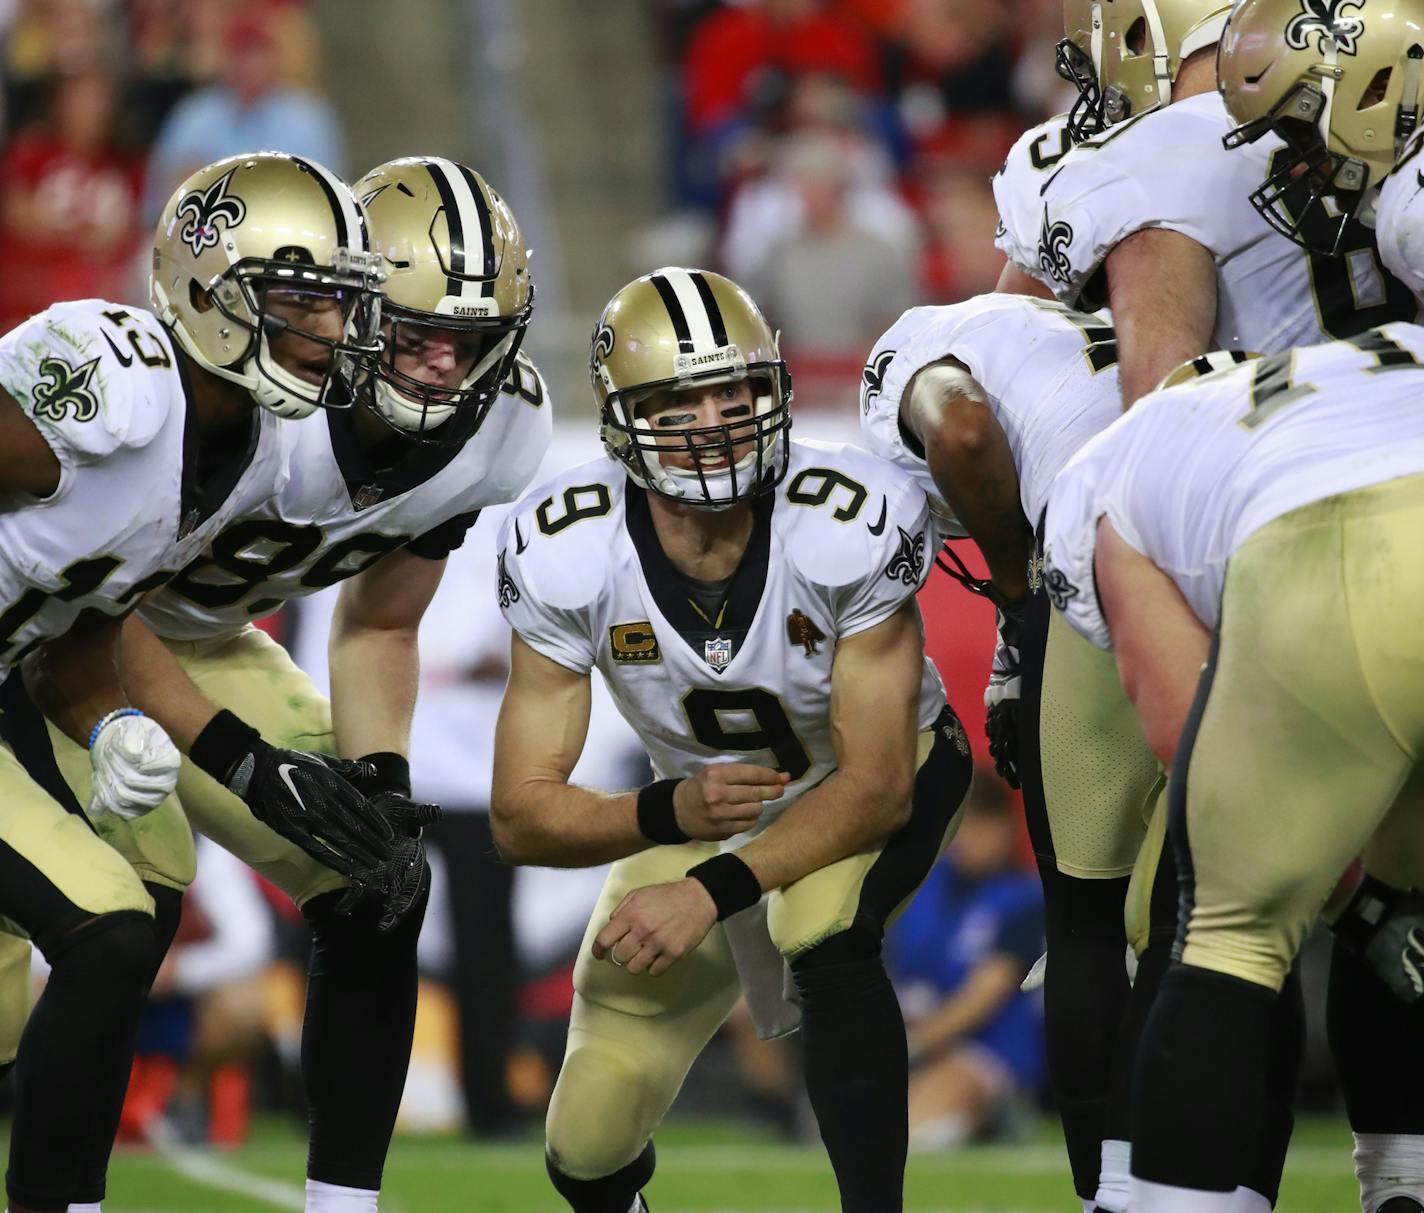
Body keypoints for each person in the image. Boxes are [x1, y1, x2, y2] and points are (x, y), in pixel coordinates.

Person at [39, 154, 551, 1213]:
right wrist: (239, 757)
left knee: (379, 872)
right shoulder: (265, 384)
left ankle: (341, 1204)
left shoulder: (494, 432)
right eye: (414, 334)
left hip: (209, 639)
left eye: (470, 341)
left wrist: (378, 774)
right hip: (88, 641)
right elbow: (97, 595)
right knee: (126, 908)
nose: (443, 369)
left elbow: (379, 619)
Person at [491, 266, 973, 1213]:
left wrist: (708, 888)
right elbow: (519, 817)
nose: (715, 420)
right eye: (681, 401)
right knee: (586, 1131)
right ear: (625, 419)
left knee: (822, 931)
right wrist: (670, 812)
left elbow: (877, 786)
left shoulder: (846, 517)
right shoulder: (566, 548)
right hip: (705, 801)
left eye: (736, 390)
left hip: (875, 773)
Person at [0, 149, 396, 1213]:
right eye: (301, 300)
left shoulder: (259, 444)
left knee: (108, 937)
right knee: (109, 925)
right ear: (216, 295)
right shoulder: (111, 384)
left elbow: (83, 630)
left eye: (336, 303)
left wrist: (118, 718)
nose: (329, 330)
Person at [1042, 312, 1424, 1210]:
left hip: (1338, 555)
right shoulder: (1380, 352)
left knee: (1230, 936)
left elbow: (1189, 740)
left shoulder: (1117, 468)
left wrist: (1361, 913)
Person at [858, 291, 1165, 1210]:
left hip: (1116, 561)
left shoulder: (912, 354)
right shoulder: (1096, 336)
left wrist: (1017, 592)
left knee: (1087, 919)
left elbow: (956, 428)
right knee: (1224, 923)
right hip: (1243, 526)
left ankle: (1103, 1192)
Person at [888, 775, 1046, 1151]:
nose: (966, 838)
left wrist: (913, 1044)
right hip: (912, 1031)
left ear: (1005, 826)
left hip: (992, 1047)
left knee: (935, 1102)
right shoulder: (919, 887)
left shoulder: (1024, 898)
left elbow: (988, 990)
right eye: (960, 825)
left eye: (979, 825)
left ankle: (997, 1117)